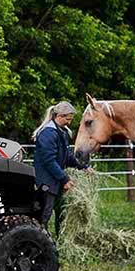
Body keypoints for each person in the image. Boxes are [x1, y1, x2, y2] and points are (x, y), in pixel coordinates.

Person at [32, 101, 87, 236]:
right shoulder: (48, 134)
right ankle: (40, 241)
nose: (69, 122)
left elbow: (66, 156)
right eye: (68, 119)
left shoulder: (61, 132)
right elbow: (49, 161)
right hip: (46, 181)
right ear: (59, 116)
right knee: (45, 214)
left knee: (61, 212)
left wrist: (83, 167)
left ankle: (60, 240)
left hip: (55, 180)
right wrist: (64, 179)